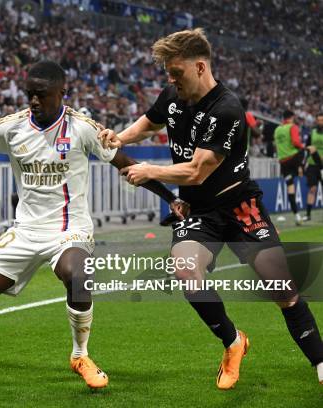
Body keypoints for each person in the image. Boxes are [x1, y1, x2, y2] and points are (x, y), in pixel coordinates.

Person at [0, 60, 186, 389]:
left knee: (77, 275)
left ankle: (80, 355)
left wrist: (169, 196)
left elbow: (125, 163)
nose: (34, 101)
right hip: (24, 231)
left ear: (61, 94)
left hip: (69, 229)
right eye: (29, 95)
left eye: (41, 95)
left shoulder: (82, 128)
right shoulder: (12, 127)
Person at [99, 28, 323, 387]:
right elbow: (149, 122)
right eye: (168, 74)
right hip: (199, 212)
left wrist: (149, 170)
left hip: (239, 206)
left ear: (200, 67)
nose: (171, 81)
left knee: (281, 288)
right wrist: (119, 137)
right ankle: (234, 342)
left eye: (177, 73)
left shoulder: (227, 108)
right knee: (186, 270)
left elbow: (197, 171)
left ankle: (320, 362)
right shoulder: (173, 94)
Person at [273, 110, 316, 224]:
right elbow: (296, 142)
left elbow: (276, 145)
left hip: (283, 162)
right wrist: (304, 147)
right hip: (295, 159)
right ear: (292, 117)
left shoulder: (277, 130)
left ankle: (297, 215)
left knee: (290, 188)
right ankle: (302, 168)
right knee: (308, 150)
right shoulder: (293, 127)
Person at [305, 113, 323, 221]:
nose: (320, 122)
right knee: (312, 189)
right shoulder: (313, 132)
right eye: (319, 120)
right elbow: (307, 146)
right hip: (312, 164)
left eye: (322, 120)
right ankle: (308, 214)